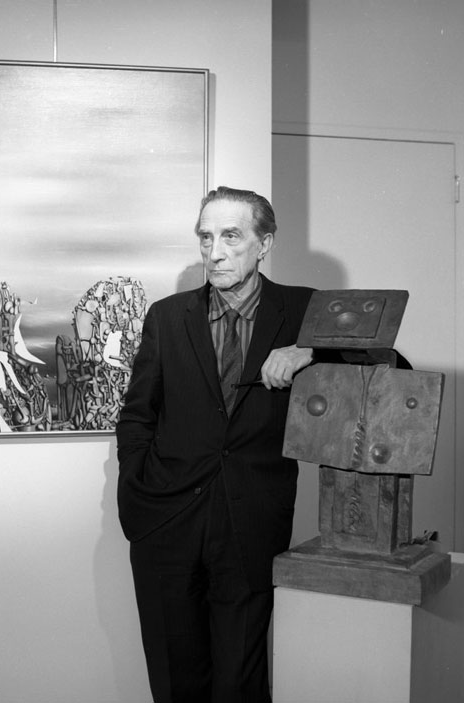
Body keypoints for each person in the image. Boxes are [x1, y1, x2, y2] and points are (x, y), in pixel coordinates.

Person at [116, 186, 315, 703]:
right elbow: (137, 414)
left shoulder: (301, 310)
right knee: (175, 677)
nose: (216, 251)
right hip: (166, 519)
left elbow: (390, 364)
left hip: (250, 524)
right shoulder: (166, 316)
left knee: (240, 682)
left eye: (231, 235)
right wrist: (137, 487)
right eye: (206, 237)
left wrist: (308, 350)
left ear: (264, 243)